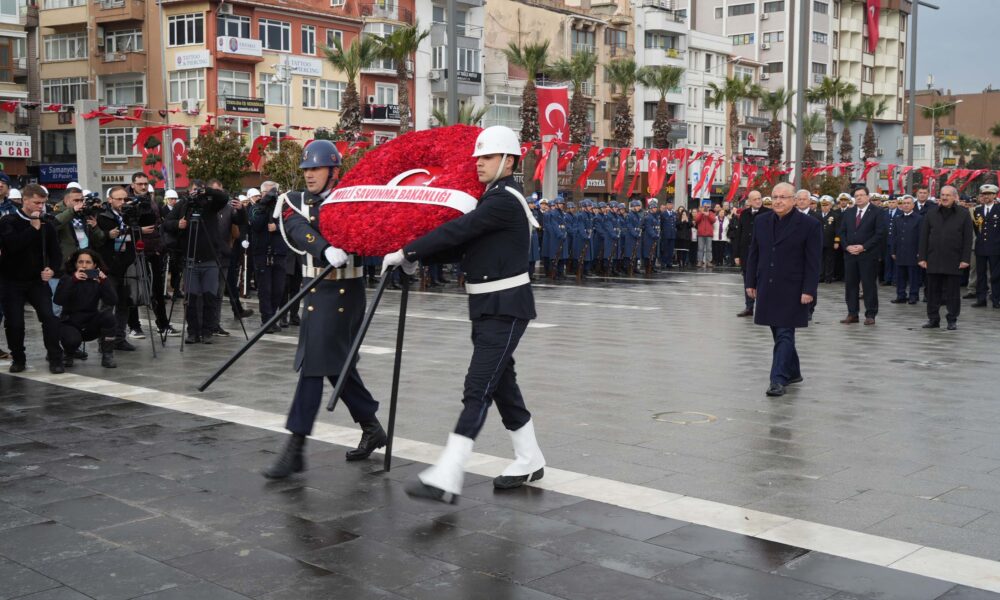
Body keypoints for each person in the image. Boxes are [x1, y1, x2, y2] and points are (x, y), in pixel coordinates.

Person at [383, 125, 545, 504]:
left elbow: (460, 229)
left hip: (505, 308)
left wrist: (409, 251)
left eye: (487, 157)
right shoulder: (493, 199)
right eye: (478, 157)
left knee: (478, 386)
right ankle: (529, 458)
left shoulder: (503, 200)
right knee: (502, 385)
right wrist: (416, 258)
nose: (479, 163)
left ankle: (448, 473)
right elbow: (464, 247)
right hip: (488, 306)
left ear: (509, 161)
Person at [262, 140, 386, 480]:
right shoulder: (296, 201)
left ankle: (296, 446)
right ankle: (372, 426)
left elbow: (375, 230)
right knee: (335, 366)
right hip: (314, 289)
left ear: (334, 171)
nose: (309, 175)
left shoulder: (354, 198)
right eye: (306, 169)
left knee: (314, 364)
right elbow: (296, 227)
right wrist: (324, 248)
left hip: (345, 292)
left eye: (316, 168)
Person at [744, 182, 821, 397]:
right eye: (774, 197)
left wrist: (809, 290)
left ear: (794, 200)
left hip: (793, 288)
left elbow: (813, 261)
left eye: (783, 197)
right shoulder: (761, 221)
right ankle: (793, 371)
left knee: (785, 332)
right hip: (767, 286)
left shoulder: (810, 225)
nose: (777, 201)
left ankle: (777, 379)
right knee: (777, 332)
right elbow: (754, 253)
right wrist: (750, 282)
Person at [0, 184, 64, 373]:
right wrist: (32, 229)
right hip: (11, 280)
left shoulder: (46, 224)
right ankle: (18, 358)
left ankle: (55, 357)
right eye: (36, 202)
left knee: (49, 317)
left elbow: (56, 253)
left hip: (37, 281)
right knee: (15, 322)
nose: (40, 206)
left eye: (43, 203)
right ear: (25, 200)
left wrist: (51, 269)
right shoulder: (9, 221)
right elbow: (12, 246)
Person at [161, 182, 230, 344]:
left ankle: (207, 332)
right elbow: (166, 224)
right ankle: (192, 332)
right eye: (194, 190)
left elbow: (224, 198)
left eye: (199, 191)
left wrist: (207, 192)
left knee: (210, 298)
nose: (196, 194)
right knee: (190, 299)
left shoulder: (210, 204)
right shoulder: (184, 205)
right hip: (189, 258)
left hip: (210, 259)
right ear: (188, 191)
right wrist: (177, 224)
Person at [918, 185, 973, 330]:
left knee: (953, 293)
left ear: (955, 197)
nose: (944, 197)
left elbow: (968, 239)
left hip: (954, 259)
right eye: (942, 195)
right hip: (933, 259)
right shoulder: (931, 213)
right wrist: (922, 257)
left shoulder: (963, 214)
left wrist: (965, 259)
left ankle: (952, 319)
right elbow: (924, 237)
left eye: (948, 195)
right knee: (932, 292)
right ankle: (933, 319)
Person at [53, 249, 118, 368]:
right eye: (80, 262)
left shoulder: (98, 279)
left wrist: (104, 282)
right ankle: (69, 353)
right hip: (70, 322)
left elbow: (112, 301)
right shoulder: (67, 278)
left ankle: (108, 355)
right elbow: (58, 300)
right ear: (75, 264)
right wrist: (73, 280)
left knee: (109, 317)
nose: (83, 265)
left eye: (88, 262)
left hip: (90, 322)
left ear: (94, 265)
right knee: (72, 339)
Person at [838, 187, 886, 325]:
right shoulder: (849, 212)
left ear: (868, 196)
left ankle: (870, 314)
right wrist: (847, 246)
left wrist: (863, 247)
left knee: (868, 285)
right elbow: (842, 232)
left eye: (861, 195)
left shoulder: (877, 212)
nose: (858, 198)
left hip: (868, 254)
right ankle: (852, 313)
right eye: (856, 195)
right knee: (851, 285)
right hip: (850, 254)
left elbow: (879, 234)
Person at [248, 187, 288, 331]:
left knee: (278, 289)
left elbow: (290, 226)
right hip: (262, 254)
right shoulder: (256, 208)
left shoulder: (283, 208)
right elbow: (256, 224)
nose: (269, 195)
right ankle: (267, 320)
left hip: (279, 253)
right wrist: (264, 206)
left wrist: (276, 228)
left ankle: (272, 317)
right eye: (266, 192)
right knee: (265, 289)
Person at [734, 191, 769, 316]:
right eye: (755, 199)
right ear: (749, 201)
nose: (758, 201)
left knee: (762, 281)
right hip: (746, 253)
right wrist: (736, 255)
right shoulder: (744, 214)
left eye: (759, 198)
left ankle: (763, 307)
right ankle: (749, 307)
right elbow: (739, 235)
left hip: (762, 253)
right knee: (748, 280)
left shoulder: (768, 213)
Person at [889, 195, 923, 305]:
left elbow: (921, 237)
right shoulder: (897, 218)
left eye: (908, 203)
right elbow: (894, 236)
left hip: (913, 252)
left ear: (913, 205)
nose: (906, 205)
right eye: (904, 203)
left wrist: (920, 252)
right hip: (900, 251)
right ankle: (901, 295)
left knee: (913, 276)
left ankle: (913, 296)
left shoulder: (919, 218)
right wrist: (893, 251)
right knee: (900, 276)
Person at [971, 184, 1000, 308]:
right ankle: (981, 299)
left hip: (996, 247)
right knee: (980, 274)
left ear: (994, 195)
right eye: (984, 194)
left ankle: (996, 299)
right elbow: (977, 229)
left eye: (989, 194)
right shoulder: (977, 210)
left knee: (996, 275)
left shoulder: (998, 209)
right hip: (981, 247)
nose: (986, 196)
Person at [818, 196, 839, 283]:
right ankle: (821, 276)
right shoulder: (817, 215)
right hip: (819, 241)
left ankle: (828, 277)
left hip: (830, 241)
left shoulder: (835, 216)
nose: (824, 207)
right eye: (823, 205)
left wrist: (836, 241)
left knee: (829, 260)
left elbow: (838, 230)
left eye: (826, 205)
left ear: (830, 205)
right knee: (820, 259)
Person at [882, 196, 900, 286]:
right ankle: (887, 278)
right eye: (890, 202)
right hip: (886, 241)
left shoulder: (900, 213)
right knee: (887, 261)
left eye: (893, 202)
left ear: (897, 203)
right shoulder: (884, 213)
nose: (891, 204)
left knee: (896, 261)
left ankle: (895, 279)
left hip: (896, 241)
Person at [694, 203, 716, 268]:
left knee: (709, 249)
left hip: (709, 234)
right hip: (701, 234)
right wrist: (702, 213)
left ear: (709, 208)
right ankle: (700, 261)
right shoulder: (699, 213)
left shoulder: (711, 213)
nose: (706, 208)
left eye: (708, 207)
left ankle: (708, 262)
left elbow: (713, 220)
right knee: (700, 248)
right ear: (703, 207)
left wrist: (708, 215)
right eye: (705, 206)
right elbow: (696, 220)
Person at [660, 200, 677, 268]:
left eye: (671, 204)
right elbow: (661, 224)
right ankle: (663, 262)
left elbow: (675, 224)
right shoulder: (663, 214)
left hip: (672, 234)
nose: (670, 205)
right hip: (665, 234)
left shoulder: (674, 214)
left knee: (671, 249)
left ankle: (669, 262)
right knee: (665, 249)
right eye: (669, 204)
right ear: (666, 205)